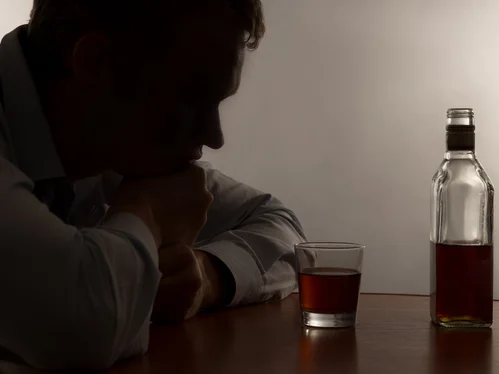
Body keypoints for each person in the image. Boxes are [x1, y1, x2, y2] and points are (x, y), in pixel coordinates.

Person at [0, 0, 306, 370]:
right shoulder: (134, 171)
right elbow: (82, 327)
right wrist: (145, 216)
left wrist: (208, 275)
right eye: (191, 98)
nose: (214, 136)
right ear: (95, 62)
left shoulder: (113, 152)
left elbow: (283, 228)